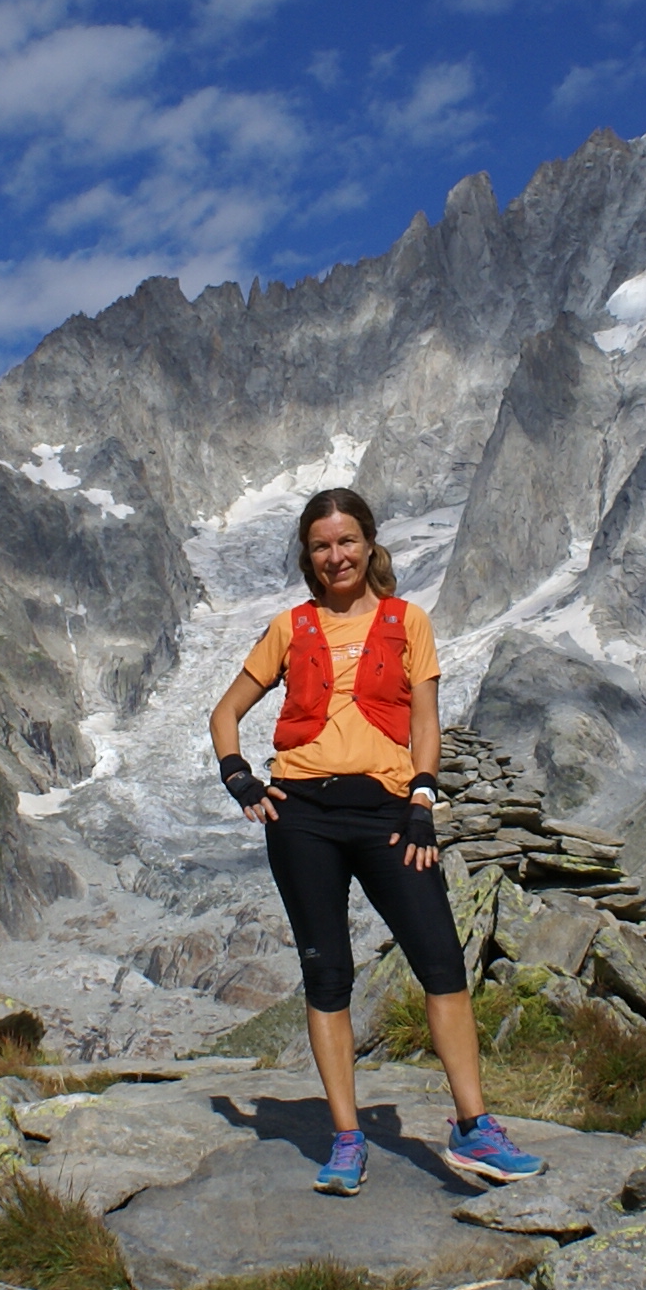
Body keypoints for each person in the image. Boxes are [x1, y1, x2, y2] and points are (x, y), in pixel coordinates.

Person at [208, 486, 543, 1197]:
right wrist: (240, 779)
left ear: (369, 544)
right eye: (322, 545)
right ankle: (348, 1136)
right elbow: (226, 712)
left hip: (391, 812)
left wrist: (423, 794)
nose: (336, 555)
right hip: (300, 815)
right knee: (328, 976)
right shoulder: (289, 628)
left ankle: (473, 1126)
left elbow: (427, 721)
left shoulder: (407, 620)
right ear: (309, 554)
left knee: (442, 963)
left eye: (347, 541)